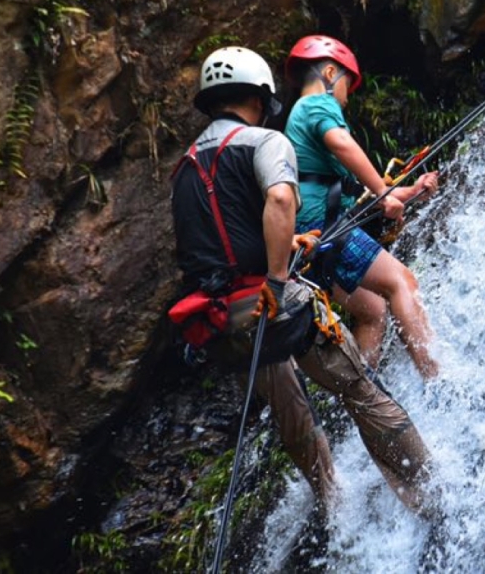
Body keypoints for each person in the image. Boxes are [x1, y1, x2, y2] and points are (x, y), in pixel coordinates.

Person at [170, 46, 434, 512]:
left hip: (222, 320)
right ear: (259, 97)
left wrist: (286, 243)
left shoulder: (185, 169)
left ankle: (332, 503)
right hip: (273, 302)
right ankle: (430, 490)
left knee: (291, 415)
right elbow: (278, 199)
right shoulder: (263, 142)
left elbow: (217, 239)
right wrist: (276, 278)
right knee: (361, 390)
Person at [283, 34, 441, 380]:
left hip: (309, 233)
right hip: (321, 225)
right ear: (329, 73)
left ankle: (361, 396)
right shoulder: (317, 103)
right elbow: (342, 143)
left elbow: (360, 197)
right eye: (346, 87)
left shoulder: (300, 120)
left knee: (373, 310)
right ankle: (438, 380)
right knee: (401, 281)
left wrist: (410, 192)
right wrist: (385, 194)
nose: (345, 99)